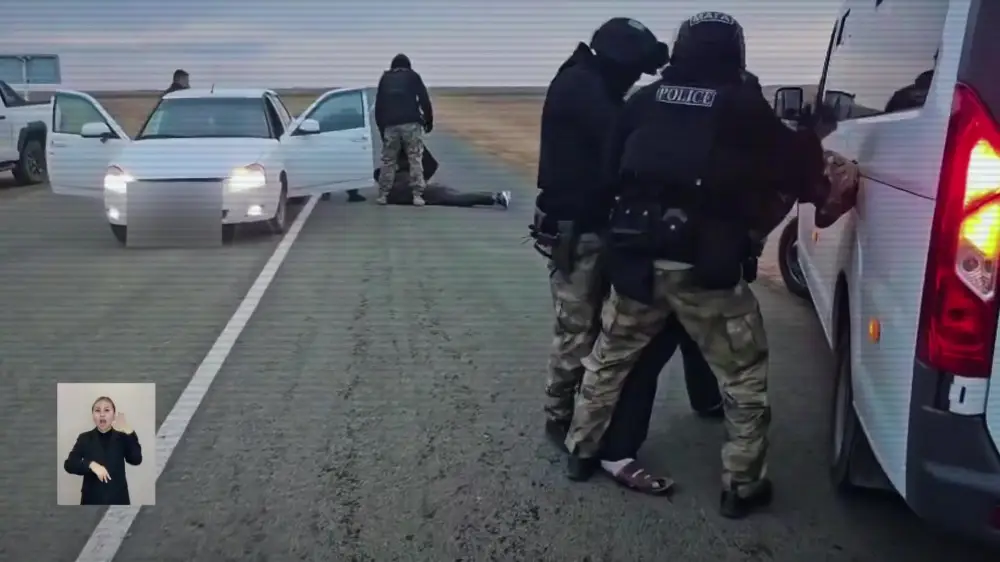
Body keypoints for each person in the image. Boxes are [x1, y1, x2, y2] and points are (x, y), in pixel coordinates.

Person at [563, 11, 850, 518]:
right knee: (743, 378)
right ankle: (742, 485)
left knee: (608, 361)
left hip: (636, 264)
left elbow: (606, 175)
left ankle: (580, 451)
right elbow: (800, 174)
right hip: (706, 271)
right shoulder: (744, 107)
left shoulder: (643, 100)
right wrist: (812, 135)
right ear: (735, 53)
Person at [531, 17, 721, 456]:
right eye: (634, 70)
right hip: (579, 229)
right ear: (617, 62)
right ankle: (560, 417)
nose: (636, 78)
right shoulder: (582, 88)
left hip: (596, 225)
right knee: (577, 330)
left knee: (605, 327)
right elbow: (632, 138)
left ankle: (592, 415)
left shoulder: (591, 80)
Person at [374, 53, 434, 207]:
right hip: (411, 124)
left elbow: (379, 105)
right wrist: (428, 122)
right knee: (415, 158)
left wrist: (381, 129)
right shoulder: (413, 77)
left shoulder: (385, 79)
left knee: (388, 160)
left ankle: (383, 194)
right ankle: (417, 195)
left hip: (390, 125)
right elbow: (424, 100)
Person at [62, 396, 143, 505]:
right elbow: (69, 464)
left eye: (107, 410)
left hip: (118, 500)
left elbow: (136, 459)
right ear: (93, 415)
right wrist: (90, 465)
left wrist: (129, 432)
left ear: (113, 415)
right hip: (91, 501)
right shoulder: (84, 438)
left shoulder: (123, 437)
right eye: (97, 410)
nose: (102, 414)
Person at [374, 145, 511, 208]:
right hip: (429, 192)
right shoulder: (396, 184)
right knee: (458, 197)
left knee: (457, 196)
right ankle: (494, 197)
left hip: (427, 192)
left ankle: (493, 197)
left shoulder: (391, 191)